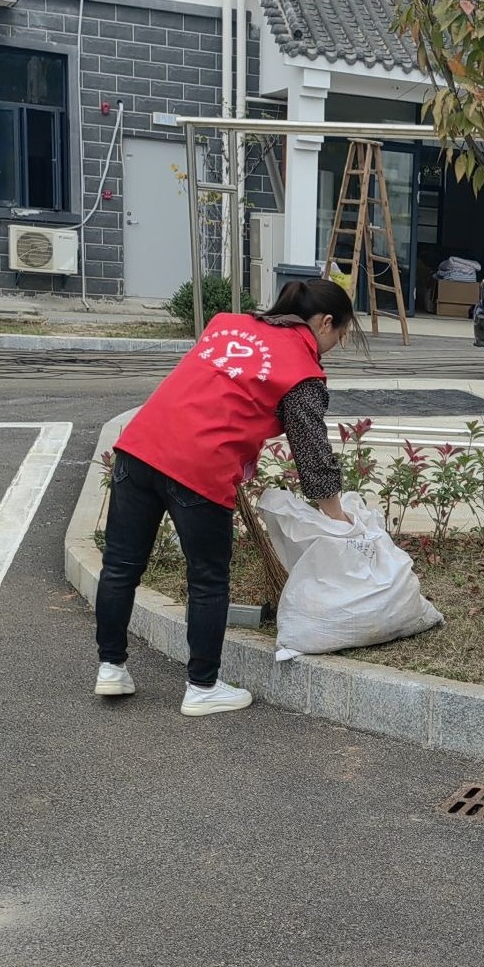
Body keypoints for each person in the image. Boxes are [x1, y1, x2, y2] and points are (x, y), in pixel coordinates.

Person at [95, 279, 355, 716]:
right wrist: (337, 515)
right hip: (199, 466)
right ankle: (202, 687)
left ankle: (111, 667)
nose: (335, 345)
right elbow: (311, 450)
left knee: (121, 565)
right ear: (325, 322)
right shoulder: (301, 368)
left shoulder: (225, 324)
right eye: (340, 336)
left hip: (139, 447)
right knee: (208, 579)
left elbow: (217, 391)